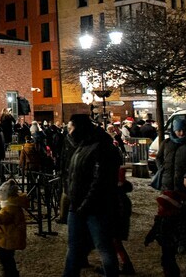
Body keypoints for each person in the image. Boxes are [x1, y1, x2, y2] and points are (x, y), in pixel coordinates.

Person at [62, 113, 123, 277]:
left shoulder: (100, 147)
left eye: (70, 127)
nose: (68, 131)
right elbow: (72, 173)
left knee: (104, 247)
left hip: (97, 207)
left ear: (79, 127)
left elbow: (100, 181)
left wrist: (85, 204)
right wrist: (69, 193)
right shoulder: (81, 145)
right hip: (78, 205)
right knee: (74, 247)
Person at [155, 117, 186, 241]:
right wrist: (162, 169)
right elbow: (159, 157)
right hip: (168, 180)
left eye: (183, 130)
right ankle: (169, 230)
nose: (181, 133)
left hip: (185, 182)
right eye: (178, 130)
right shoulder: (166, 143)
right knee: (167, 205)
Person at [0, 179, 29, 277]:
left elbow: (0, 219)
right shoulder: (13, 204)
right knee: (8, 256)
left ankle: (11, 274)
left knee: (4, 256)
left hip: (9, 237)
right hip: (12, 236)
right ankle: (10, 273)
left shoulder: (10, 208)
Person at [144, 189, 186, 277]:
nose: (158, 207)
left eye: (160, 206)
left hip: (172, 243)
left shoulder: (178, 219)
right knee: (165, 260)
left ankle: (173, 274)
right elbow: (155, 228)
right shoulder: (161, 216)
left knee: (169, 260)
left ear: (168, 207)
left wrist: (182, 245)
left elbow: (183, 233)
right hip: (164, 242)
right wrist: (149, 237)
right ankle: (168, 273)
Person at [113, 167, 136, 275]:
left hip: (116, 221)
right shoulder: (121, 193)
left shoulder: (118, 195)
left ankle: (124, 265)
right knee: (115, 243)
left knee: (115, 243)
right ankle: (124, 265)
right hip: (118, 220)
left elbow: (121, 211)